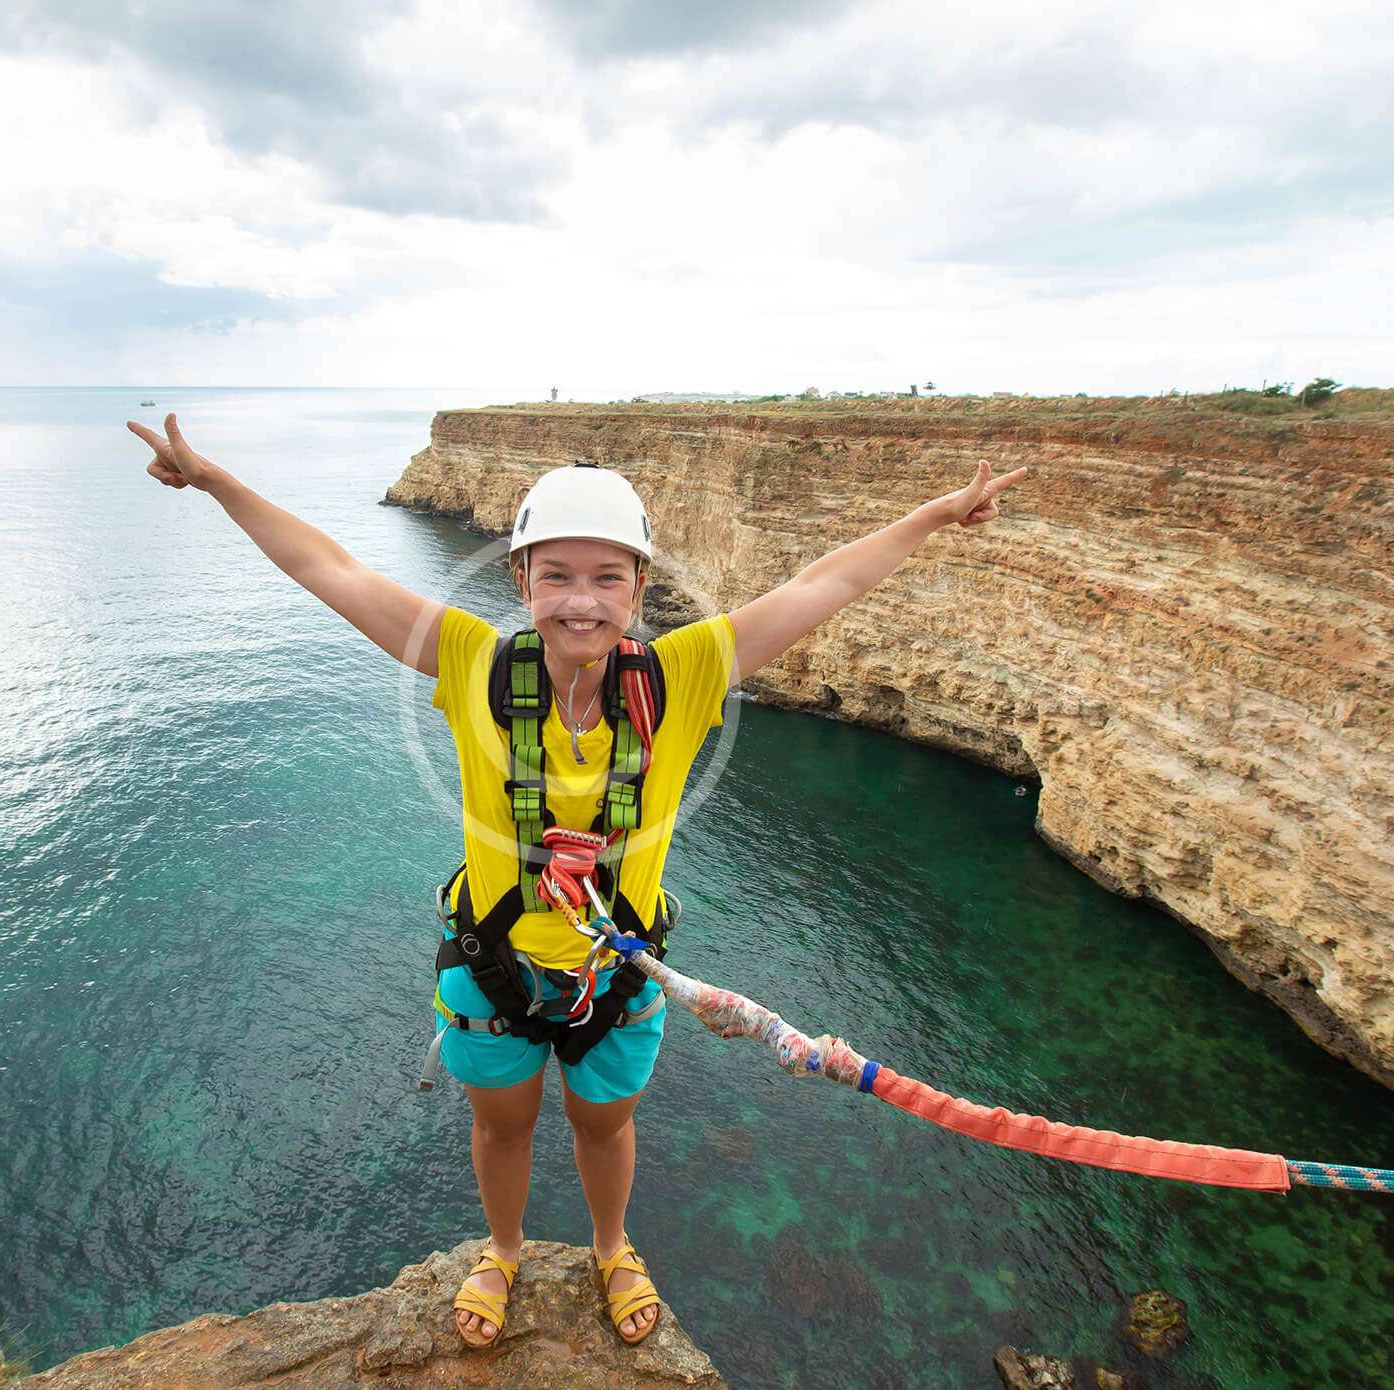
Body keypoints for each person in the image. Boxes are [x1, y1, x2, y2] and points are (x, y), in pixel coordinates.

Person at [128, 411, 1025, 1349]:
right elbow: (335, 573)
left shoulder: (684, 674)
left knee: (605, 1128)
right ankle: (506, 1251)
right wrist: (218, 482)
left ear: (640, 586)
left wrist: (931, 515)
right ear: (520, 580)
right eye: (554, 576)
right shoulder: (474, 662)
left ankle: (609, 1246)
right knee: (502, 1128)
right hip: (494, 969)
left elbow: (821, 584)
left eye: (606, 577)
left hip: (616, 975)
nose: (580, 602)